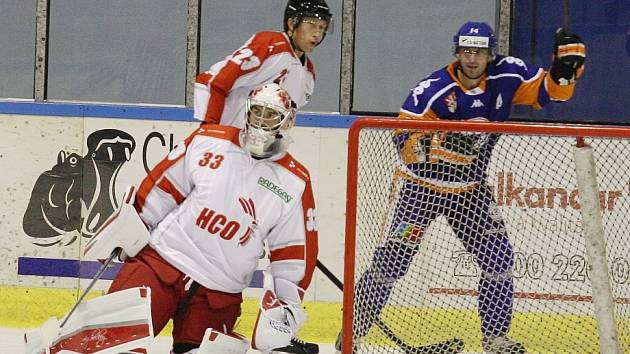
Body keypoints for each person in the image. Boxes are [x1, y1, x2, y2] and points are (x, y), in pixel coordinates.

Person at [337, 22, 586, 354]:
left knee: (499, 260)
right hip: (421, 189)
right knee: (392, 262)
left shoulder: (507, 75)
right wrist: (439, 145)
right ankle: (354, 329)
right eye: (467, 51)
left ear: (490, 53)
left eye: (479, 51)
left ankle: (495, 338)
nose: (472, 58)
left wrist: (564, 69)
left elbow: (552, 93)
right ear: (457, 52)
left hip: (470, 192)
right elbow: (402, 139)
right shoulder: (432, 89)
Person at [108, 83, 319, 354]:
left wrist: (283, 308)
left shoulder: (294, 182)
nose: (262, 120)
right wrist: (130, 228)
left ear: (287, 122)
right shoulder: (209, 140)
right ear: (246, 111)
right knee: (112, 345)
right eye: (257, 111)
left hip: (218, 293)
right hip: (161, 263)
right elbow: (162, 188)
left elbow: (293, 254)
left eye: (271, 115)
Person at [194, 0, 333, 129]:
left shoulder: (308, 74)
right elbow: (214, 81)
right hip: (226, 140)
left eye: (322, 27)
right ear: (292, 24)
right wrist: (210, 130)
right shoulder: (270, 45)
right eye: (312, 25)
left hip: (257, 149)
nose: (317, 34)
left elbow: (284, 120)